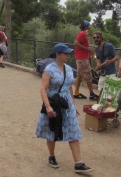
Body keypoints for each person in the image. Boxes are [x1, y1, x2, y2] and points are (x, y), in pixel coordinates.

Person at [36, 43, 93, 174]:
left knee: (73, 131)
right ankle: (51, 155)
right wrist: (48, 106)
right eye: (66, 53)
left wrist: (73, 105)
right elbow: (43, 88)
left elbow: (69, 87)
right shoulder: (49, 69)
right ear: (58, 54)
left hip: (66, 104)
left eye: (68, 53)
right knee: (52, 131)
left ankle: (78, 163)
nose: (68, 55)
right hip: (54, 103)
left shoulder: (68, 69)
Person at [73, 20, 97, 100]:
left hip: (81, 57)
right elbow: (76, 43)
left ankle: (76, 93)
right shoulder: (82, 33)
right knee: (88, 74)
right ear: (87, 26)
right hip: (82, 58)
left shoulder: (84, 33)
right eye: (89, 24)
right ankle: (91, 93)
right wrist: (87, 49)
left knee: (79, 76)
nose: (90, 25)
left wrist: (88, 49)